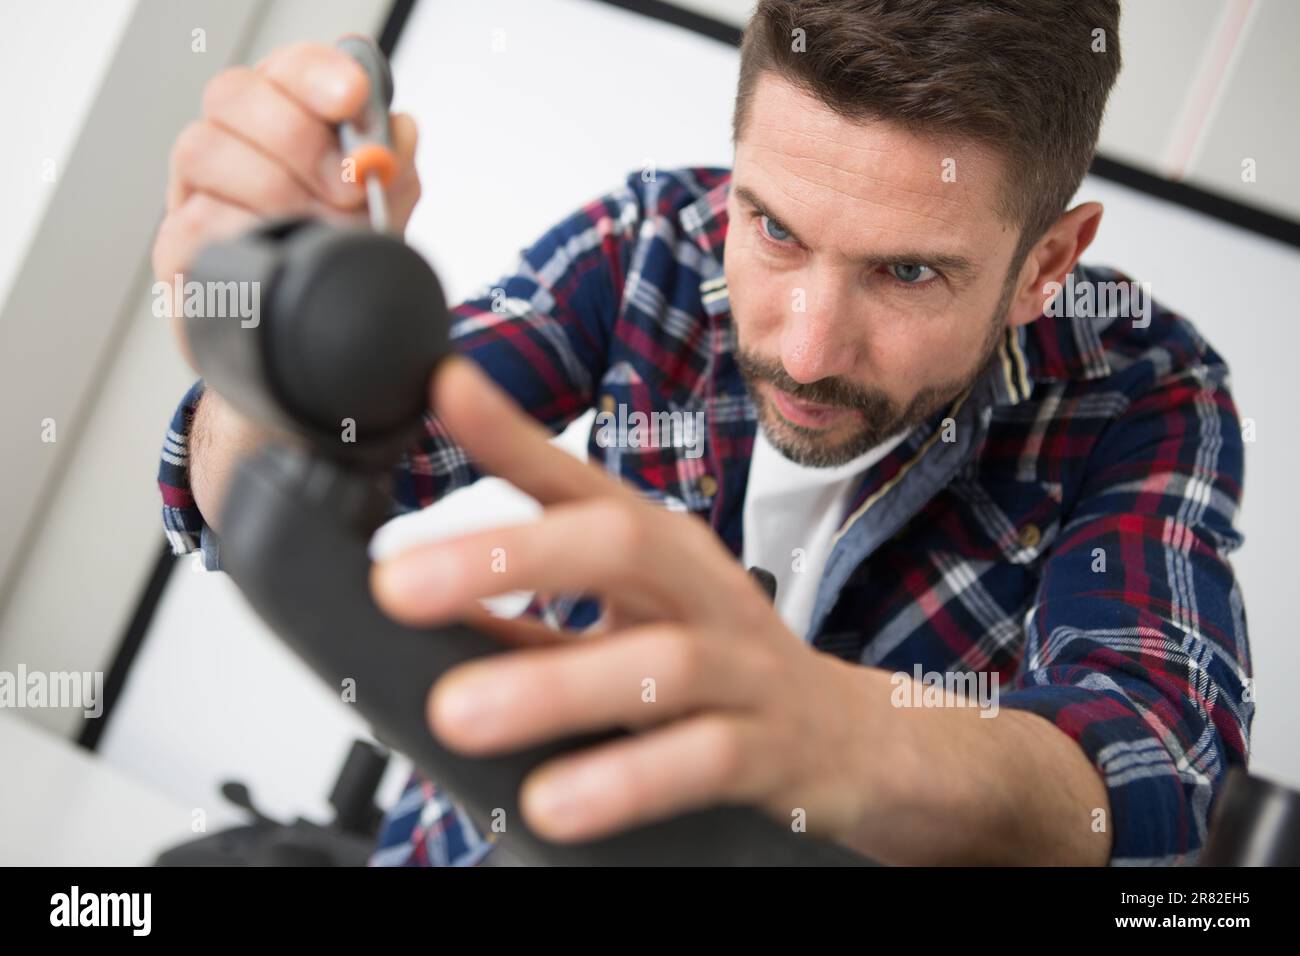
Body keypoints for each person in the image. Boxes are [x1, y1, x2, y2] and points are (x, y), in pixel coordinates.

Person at [154, 0, 1251, 866]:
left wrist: (837, 728)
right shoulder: (653, 244)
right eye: (773, 227)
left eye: (907, 271)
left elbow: (1148, 779)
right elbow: (287, 470)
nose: (808, 349)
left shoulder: (1140, 391)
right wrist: (263, 345)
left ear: (1045, 267)